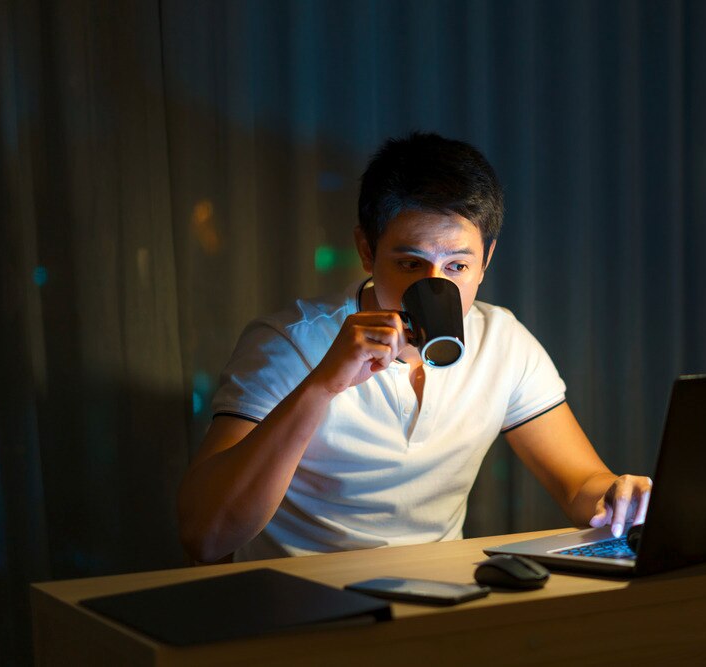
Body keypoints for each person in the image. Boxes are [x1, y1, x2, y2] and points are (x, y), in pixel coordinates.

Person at [177, 132, 652, 563]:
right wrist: (324, 384)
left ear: (486, 260)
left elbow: (579, 485)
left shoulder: (502, 340)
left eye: (457, 267)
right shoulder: (287, 344)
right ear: (367, 251)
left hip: (439, 602)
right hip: (301, 603)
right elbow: (207, 535)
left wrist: (617, 495)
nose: (434, 283)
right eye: (409, 263)